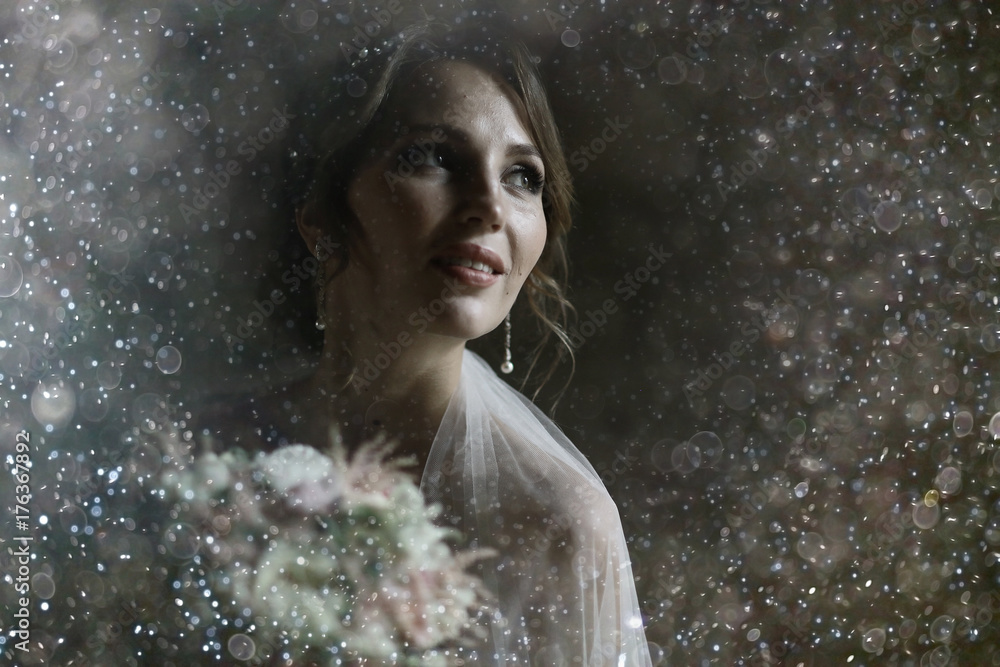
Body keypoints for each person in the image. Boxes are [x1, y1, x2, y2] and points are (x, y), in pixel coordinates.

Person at [199, 22, 653, 666]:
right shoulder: (207, 455)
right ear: (321, 215)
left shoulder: (557, 524)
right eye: (434, 157)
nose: (490, 207)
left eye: (523, 176)